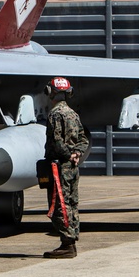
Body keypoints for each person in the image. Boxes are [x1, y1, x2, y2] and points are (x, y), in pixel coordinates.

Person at [42, 77, 90, 259]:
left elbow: (56, 141)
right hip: (72, 167)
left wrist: (67, 154)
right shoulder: (73, 114)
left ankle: (67, 244)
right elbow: (83, 139)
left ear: (50, 92)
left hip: (59, 167)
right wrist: (77, 153)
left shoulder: (55, 114)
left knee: (59, 203)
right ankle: (71, 240)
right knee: (72, 202)